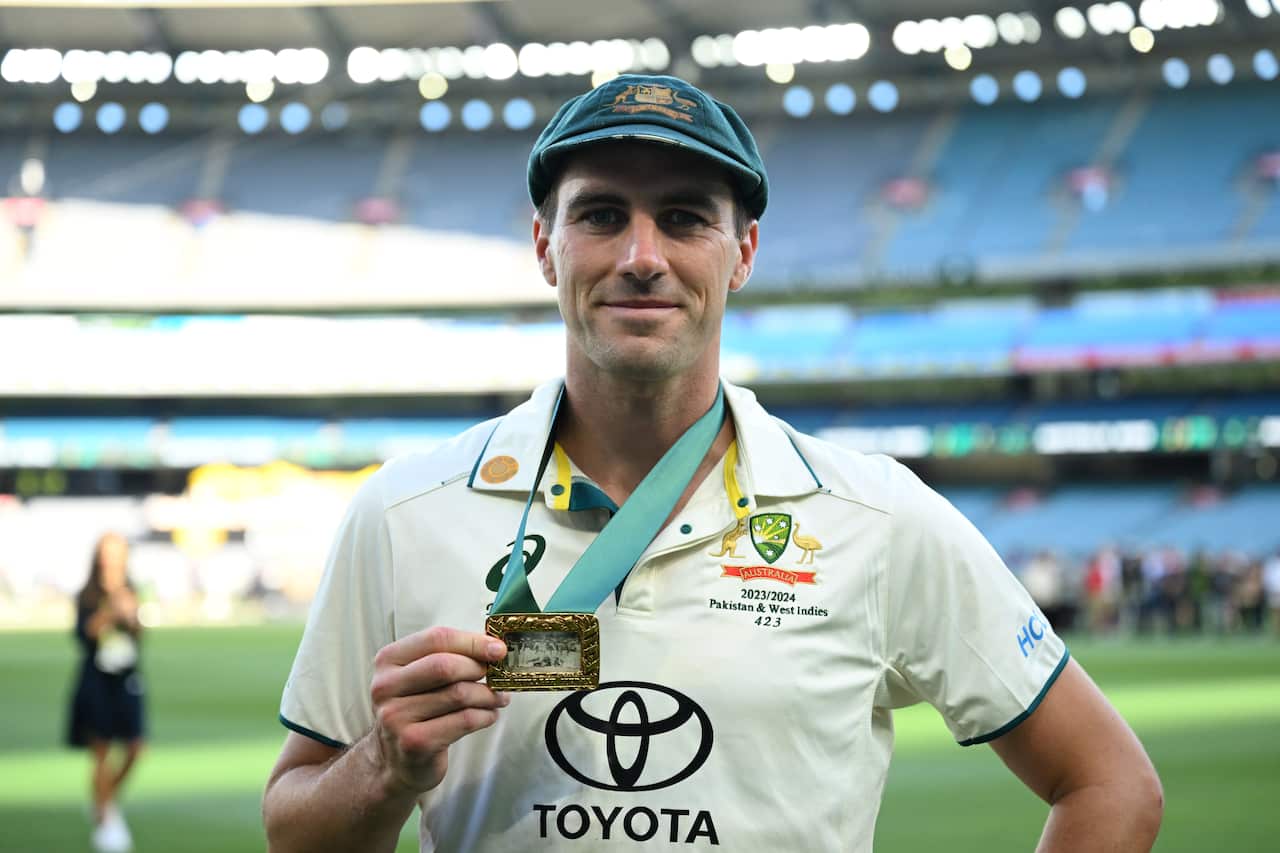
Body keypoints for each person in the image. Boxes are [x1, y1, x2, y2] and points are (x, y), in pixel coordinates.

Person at [263, 74, 1163, 852]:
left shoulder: (875, 516)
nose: (642, 256)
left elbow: (1111, 783)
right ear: (547, 246)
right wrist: (381, 765)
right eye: (602, 216)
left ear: (744, 254)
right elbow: (294, 828)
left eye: (685, 218)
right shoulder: (405, 511)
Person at [67, 532, 146, 853]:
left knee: (135, 747)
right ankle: (107, 818)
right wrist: (109, 611)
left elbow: (140, 633)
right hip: (96, 678)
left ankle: (104, 802)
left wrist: (130, 613)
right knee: (100, 748)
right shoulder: (87, 594)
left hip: (126, 677)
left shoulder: (133, 590)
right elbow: (83, 636)